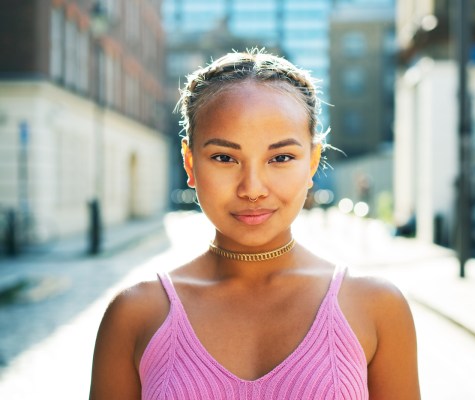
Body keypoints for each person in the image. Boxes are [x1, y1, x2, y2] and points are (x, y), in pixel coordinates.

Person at [89, 49, 420, 399]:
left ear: (311, 162)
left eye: (280, 157)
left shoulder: (376, 307)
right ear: (189, 163)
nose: (252, 189)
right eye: (224, 157)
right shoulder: (135, 316)